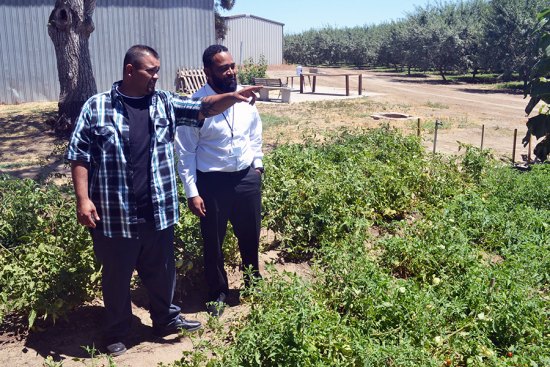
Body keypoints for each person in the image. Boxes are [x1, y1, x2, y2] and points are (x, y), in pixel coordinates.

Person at [65, 44, 260, 356]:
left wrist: (232, 97)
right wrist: (82, 199)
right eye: (151, 70)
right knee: (116, 275)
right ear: (130, 70)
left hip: (158, 207)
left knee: (162, 271)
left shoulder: (164, 102)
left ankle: (166, 319)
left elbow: (203, 106)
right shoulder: (97, 106)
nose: (157, 75)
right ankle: (117, 331)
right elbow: (79, 155)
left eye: (158, 70)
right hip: (115, 212)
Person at [175, 45, 264, 318]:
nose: (230, 72)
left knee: (250, 236)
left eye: (232, 66)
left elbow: (254, 134)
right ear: (208, 72)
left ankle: (253, 283)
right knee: (213, 242)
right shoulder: (196, 105)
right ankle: (217, 293)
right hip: (212, 183)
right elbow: (186, 151)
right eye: (223, 68)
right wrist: (192, 192)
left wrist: (257, 166)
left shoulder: (246, 97)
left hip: (246, 178)